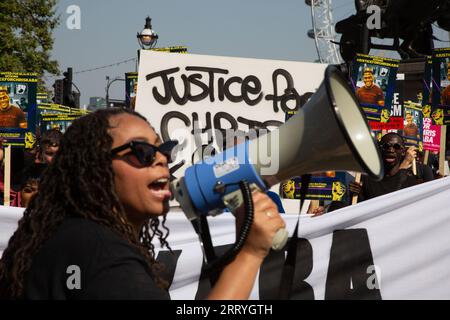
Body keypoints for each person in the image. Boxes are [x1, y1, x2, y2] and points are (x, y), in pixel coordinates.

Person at [0, 108, 285, 300]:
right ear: (94, 167)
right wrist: (249, 255)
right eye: (143, 151)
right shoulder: (101, 253)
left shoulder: (72, 236)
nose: (161, 158)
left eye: (163, 149)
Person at [350, 132, 433, 201]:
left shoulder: (410, 178)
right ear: (379, 150)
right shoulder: (369, 177)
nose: (391, 150)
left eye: (396, 147)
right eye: (386, 146)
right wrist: (358, 194)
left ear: (403, 151)